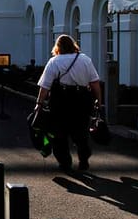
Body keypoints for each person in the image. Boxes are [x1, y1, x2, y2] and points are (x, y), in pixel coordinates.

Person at [34, 34, 103, 171]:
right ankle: (84, 159)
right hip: (82, 99)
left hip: (60, 101)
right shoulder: (85, 60)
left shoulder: (54, 62)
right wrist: (98, 100)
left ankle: (65, 162)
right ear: (73, 45)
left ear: (58, 47)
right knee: (81, 131)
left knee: (59, 133)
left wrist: (39, 103)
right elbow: (95, 83)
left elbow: (45, 87)